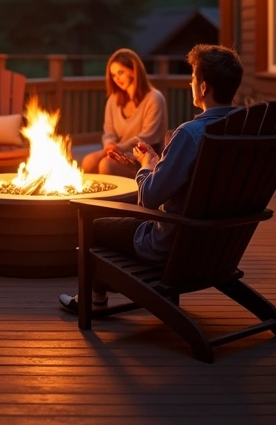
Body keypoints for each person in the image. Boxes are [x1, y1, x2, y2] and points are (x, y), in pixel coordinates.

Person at [60, 44, 244, 313]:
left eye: (192, 77)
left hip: (171, 246)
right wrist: (159, 163)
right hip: (221, 247)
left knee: (94, 226)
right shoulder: (245, 130)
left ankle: (94, 300)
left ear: (203, 87)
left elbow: (149, 198)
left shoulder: (191, 134)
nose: (189, 82)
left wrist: (147, 165)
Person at [81, 48, 167, 179]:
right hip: (117, 151)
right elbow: (109, 133)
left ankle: (117, 198)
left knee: (106, 165)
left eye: (120, 73)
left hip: (145, 158)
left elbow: (147, 137)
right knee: (88, 161)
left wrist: (119, 147)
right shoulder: (113, 99)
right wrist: (109, 146)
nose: (117, 79)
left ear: (133, 70)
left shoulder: (154, 98)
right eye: (113, 75)